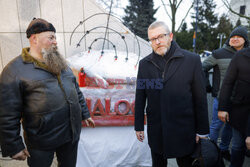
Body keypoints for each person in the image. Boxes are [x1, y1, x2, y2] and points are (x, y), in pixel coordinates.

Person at [0, 18, 95, 167]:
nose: (55, 42)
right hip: (41, 140)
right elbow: (7, 113)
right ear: (34, 39)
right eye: (51, 37)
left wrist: (85, 113)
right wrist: (13, 145)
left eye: (55, 37)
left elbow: (75, 89)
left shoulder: (60, 63)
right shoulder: (14, 70)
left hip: (70, 134)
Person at [134, 21, 209, 167]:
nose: (157, 41)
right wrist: (138, 125)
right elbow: (140, 96)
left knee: (185, 163)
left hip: (184, 128)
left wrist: (202, 131)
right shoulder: (145, 64)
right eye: (153, 39)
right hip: (157, 128)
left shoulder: (191, 60)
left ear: (171, 36)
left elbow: (200, 98)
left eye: (161, 36)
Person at [202, 26, 249, 161]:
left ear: (245, 40)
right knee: (216, 126)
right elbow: (202, 67)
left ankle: (223, 150)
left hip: (240, 101)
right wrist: (208, 86)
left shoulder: (247, 55)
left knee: (231, 127)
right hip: (221, 98)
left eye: (238, 37)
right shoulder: (219, 53)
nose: (234, 39)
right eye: (232, 37)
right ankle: (209, 152)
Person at [218, 47, 250, 167]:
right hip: (239, 110)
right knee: (237, 144)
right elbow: (228, 82)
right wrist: (222, 108)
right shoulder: (240, 55)